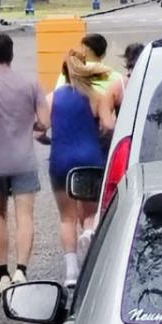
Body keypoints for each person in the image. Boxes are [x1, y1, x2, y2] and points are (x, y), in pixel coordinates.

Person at [0, 33, 49, 294]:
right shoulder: (31, 83)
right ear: (11, 54)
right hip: (24, 157)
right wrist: (29, 125)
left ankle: (1, 271)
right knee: (25, 215)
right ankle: (21, 270)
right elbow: (44, 121)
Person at [49, 48, 116, 288]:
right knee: (89, 213)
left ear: (63, 72)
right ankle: (89, 235)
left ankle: (71, 272)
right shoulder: (96, 96)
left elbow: (39, 127)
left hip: (60, 160)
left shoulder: (53, 97)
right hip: (90, 158)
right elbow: (109, 125)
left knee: (66, 218)